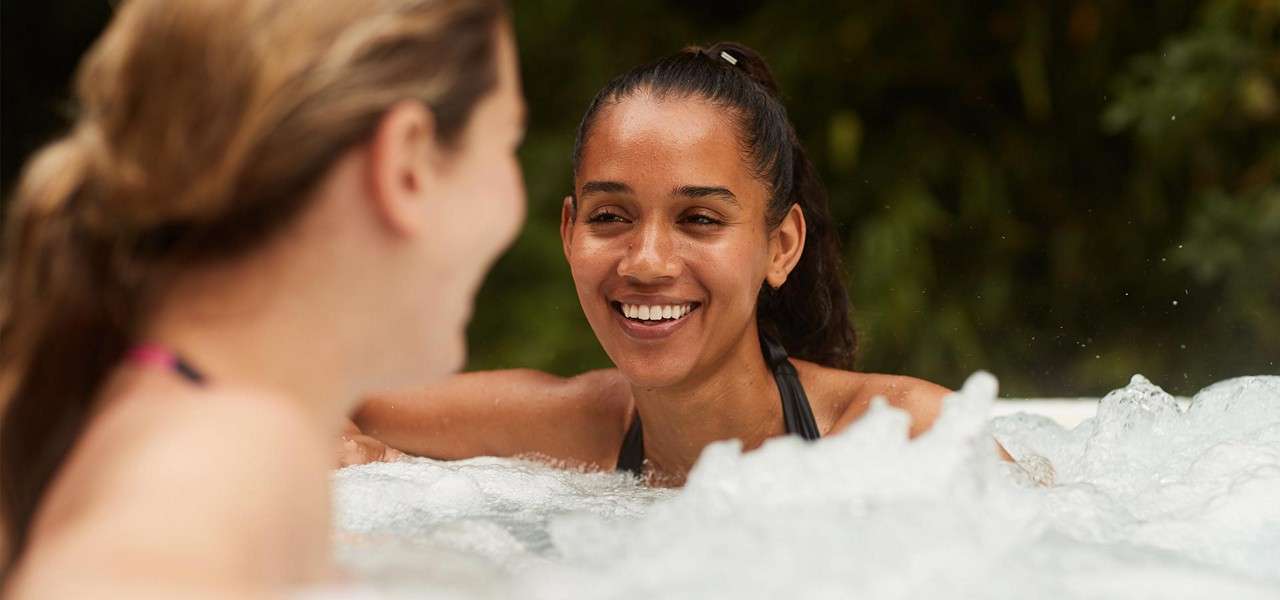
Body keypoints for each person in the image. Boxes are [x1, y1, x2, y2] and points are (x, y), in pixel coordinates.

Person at [0, 0, 524, 595]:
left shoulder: (200, 436)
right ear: (407, 164)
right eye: (508, 141)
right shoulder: (191, 517)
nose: (514, 202)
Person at [348, 42, 1009, 485]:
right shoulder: (576, 426)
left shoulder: (909, 437)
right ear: (570, 233)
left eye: (700, 219)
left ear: (780, 247)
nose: (647, 261)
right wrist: (367, 472)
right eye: (611, 217)